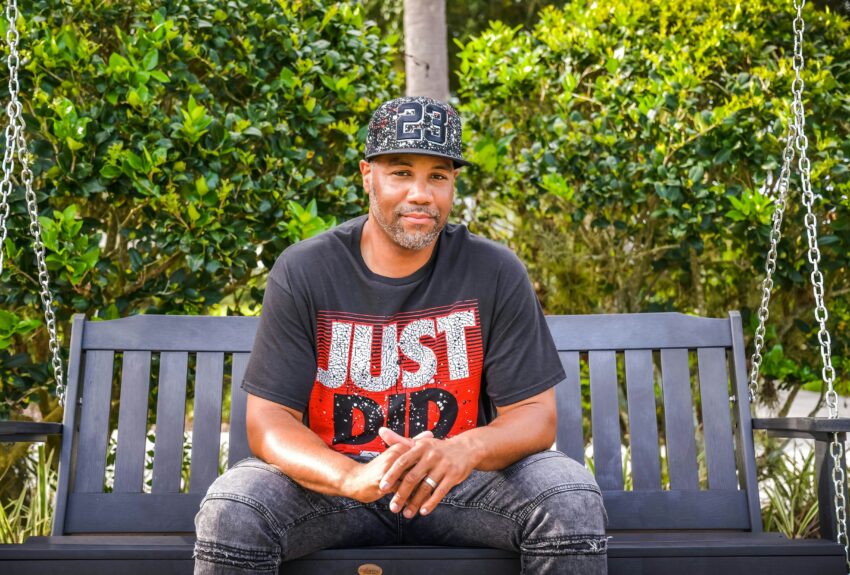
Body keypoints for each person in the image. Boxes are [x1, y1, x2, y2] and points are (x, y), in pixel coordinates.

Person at [193, 96, 608, 574]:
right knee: (234, 510)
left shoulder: (494, 270)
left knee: (570, 499)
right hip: (336, 487)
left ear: (453, 184)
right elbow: (269, 421)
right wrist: (351, 476)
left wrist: (462, 450)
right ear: (368, 175)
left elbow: (535, 416)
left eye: (438, 176)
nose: (421, 194)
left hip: (462, 485)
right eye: (402, 172)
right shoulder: (306, 269)